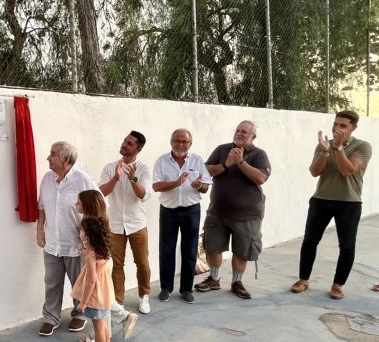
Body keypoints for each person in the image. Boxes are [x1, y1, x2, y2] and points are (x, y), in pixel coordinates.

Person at [290, 110, 372, 300]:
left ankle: (337, 285)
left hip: (349, 203)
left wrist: (339, 147)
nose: (337, 128)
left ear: (354, 128)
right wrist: (325, 151)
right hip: (321, 200)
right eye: (335, 124)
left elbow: (347, 170)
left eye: (343, 125)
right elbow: (314, 171)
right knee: (310, 241)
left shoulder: (363, 146)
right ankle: (303, 280)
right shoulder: (323, 145)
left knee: (347, 245)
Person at [194, 121, 271, 300]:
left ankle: (237, 282)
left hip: (247, 215)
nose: (240, 134)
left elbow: (261, 178)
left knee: (241, 250)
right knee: (213, 247)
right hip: (218, 212)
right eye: (238, 130)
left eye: (244, 132)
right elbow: (206, 170)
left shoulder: (259, 155)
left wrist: (241, 162)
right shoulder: (222, 149)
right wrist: (227, 164)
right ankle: (213, 278)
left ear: (253, 137)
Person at [37, 141, 99, 336]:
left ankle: (79, 314)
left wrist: (88, 234)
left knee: (78, 282)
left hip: (76, 244)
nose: (49, 157)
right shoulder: (47, 178)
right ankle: (51, 317)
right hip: (52, 243)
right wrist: (40, 231)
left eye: (53, 154)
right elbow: (42, 208)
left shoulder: (83, 180)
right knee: (52, 282)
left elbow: (99, 207)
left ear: (65, 159)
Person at [153, 129, 212, 304]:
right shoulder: (162, 161)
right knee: (167, 250)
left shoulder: (197, 160)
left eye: (184, 142)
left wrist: (199, 185)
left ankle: (186, 289)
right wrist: (176, 183)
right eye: (177, 141)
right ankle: (166, 288)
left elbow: (205, 188)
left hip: (191, 210)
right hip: (168, 211)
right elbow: (156, 186)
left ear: (190, 144)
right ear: (171, 142)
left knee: (189, 249)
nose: (180, 145)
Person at [75, 190, 138, 342]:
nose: (75, 205)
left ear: (87, 206)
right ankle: (123, 317)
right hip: (103, 261)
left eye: (78, 203)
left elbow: (91, 276)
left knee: (99, 298)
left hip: (98, 263)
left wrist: (83, 303)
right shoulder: (98, 219)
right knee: (104, 295)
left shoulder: (91, 222)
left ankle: (101, 340)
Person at [100, 131, 152, 314]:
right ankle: (118, 301)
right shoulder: (110, 167)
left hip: (137, 223)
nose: (124, 145)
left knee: (142, 262)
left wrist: (132, 179)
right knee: (117, 264)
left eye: (129, 143)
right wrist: (116, 177)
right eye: (124, 141)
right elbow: (102, 193)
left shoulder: (144, 169)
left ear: (138, 148)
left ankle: (144, 296)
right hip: (114, 225)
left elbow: (142, 195)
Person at [72, 216, 114, 342]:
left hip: (95, 296)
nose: (79, 232)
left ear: (88, 235)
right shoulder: (101, 249)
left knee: (98, 329)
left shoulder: (91, 255)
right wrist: (82, 249)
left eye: (81, 230)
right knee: (103, 326)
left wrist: (83, 302)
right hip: (105, 293)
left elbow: (91, 281)